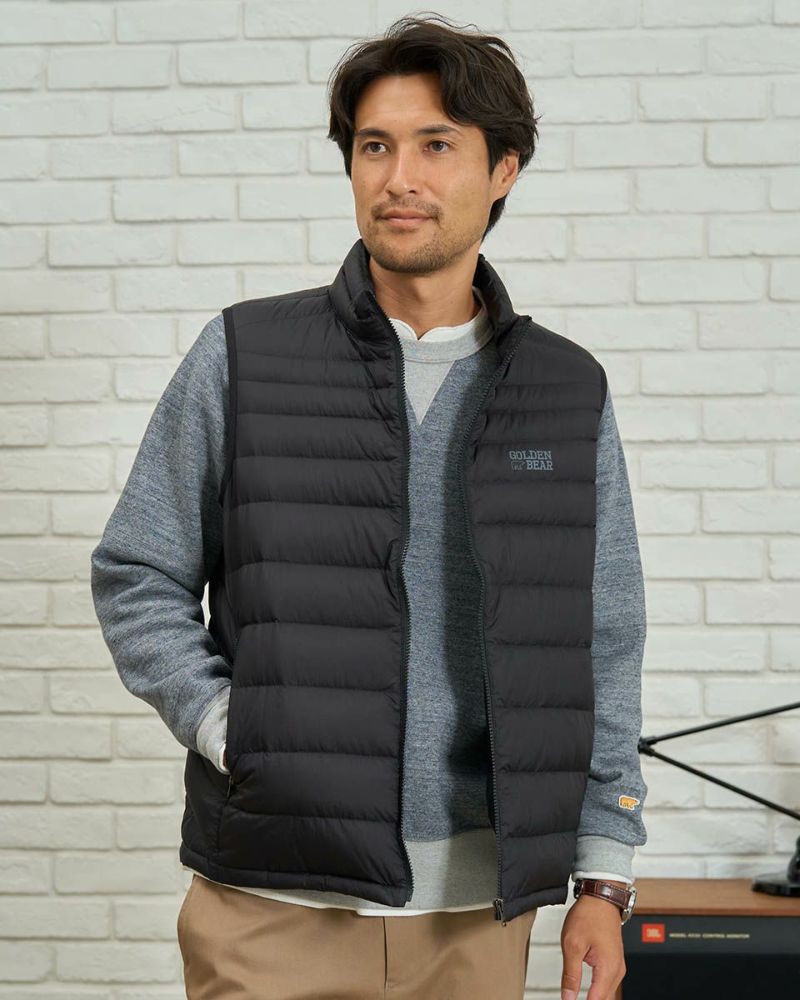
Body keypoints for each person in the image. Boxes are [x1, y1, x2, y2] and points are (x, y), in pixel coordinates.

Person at [90, 13, 648, 1000]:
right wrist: (230, 726)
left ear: (503, 169)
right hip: (268, 904)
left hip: (477, 916)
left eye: (436, 145)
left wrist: (603, 876)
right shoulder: (245, 355)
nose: (399, 178)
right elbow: (137, 570)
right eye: (375, 146)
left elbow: (601, 638)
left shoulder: (565, 391)